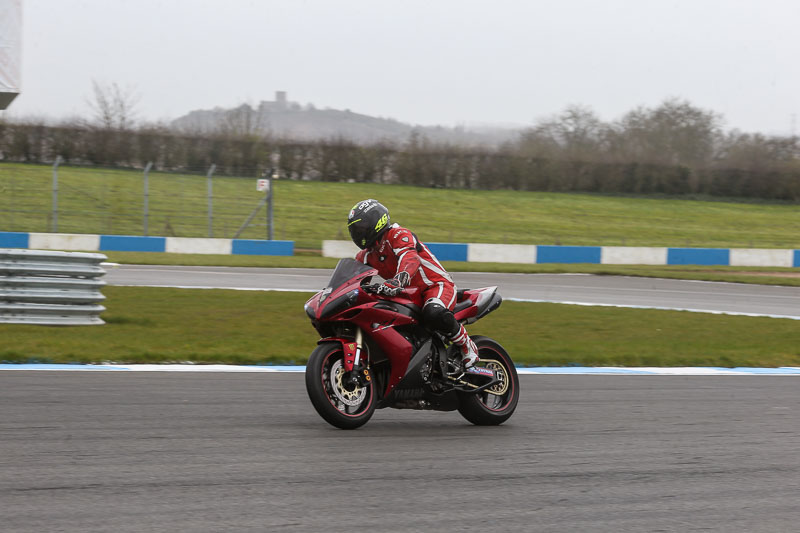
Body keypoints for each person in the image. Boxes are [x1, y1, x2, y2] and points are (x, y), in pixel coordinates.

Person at [346, 199, 479, 368]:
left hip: (436, 285)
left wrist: (398, 280)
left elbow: (410, 258)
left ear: (376, 222)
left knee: (433, 312)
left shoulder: (397, 235)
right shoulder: (366, 255)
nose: (358, 234)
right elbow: (352, 279)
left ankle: (467, 345)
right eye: (355, 230)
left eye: (361, 228)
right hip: (407, 294)